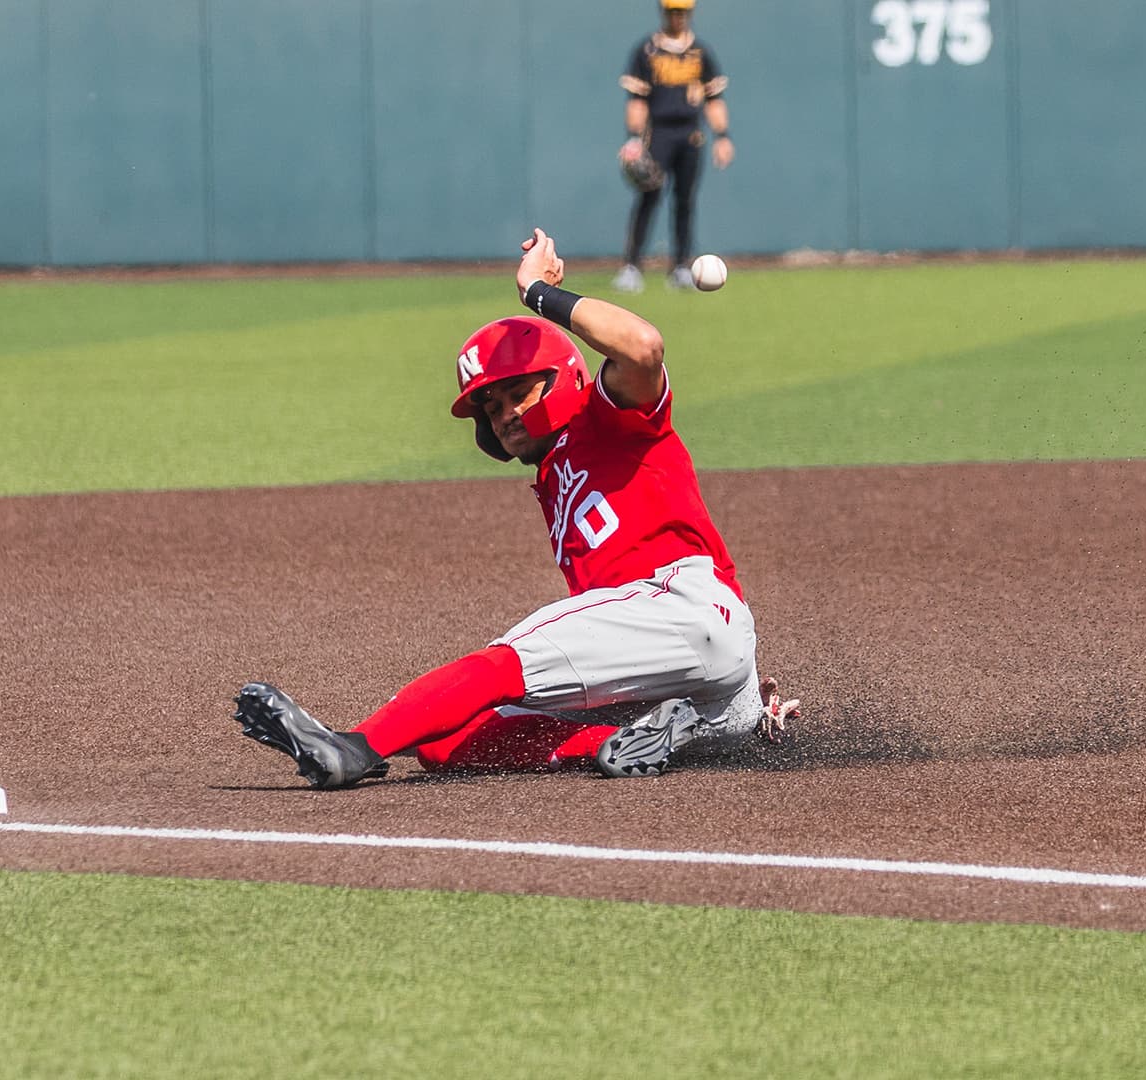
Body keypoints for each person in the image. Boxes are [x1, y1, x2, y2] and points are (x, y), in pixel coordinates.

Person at [235, 228, 797, 788]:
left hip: (684, 607)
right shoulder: (553, 477)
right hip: (705, 693)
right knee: (442, 745)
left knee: (502, 665)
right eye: (492, 406)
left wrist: (537, 293)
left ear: (562, 377)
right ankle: (632, 739)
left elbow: (642, 346)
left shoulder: (610, 421)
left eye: (517, 394)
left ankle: (352, 748)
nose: (504, 415)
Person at [613, 0, 732, 294]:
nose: (677, 17)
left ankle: (680, 266)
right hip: (659, 133)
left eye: (682, 12)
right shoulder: (648, 50)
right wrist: (633, 137)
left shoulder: (700, 52)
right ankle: (631, 266)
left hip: (691, 134)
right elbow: (637, 100)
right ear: (664, 13)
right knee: (649, 196)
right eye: (672, 11)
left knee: (685, 200)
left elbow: (714, 98)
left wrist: (722, 136)